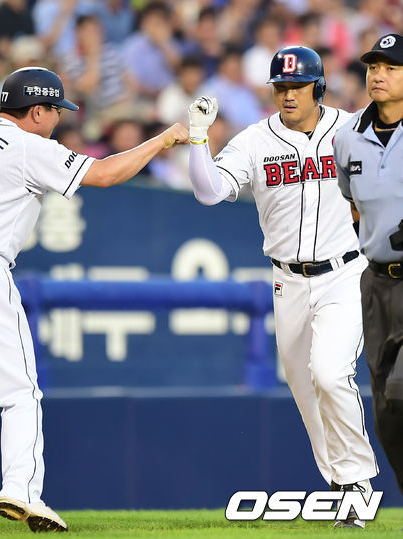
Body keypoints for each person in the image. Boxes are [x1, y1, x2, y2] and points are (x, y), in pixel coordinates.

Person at [0, 66, 188, 536]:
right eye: (55, 111)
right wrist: (163, 139)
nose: (57, 120)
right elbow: (106, 174)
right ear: (35, 111)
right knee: (20, 394)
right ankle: (22, 491)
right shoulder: (29, 145)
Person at [187, 46, 379, 528]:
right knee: (304, 387)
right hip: (287, 280)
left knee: (330, 373)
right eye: (280, 87)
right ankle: (338, 484)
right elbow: (209, 192)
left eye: (297, 87)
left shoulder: (354, 129)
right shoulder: (255, 140)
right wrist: (198, 141)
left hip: (345, 272)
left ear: (319, 88)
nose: (288, 95)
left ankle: (356, 482)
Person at [333, 33, 403, 494]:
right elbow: (353, 203)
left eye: (391, 67)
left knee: (402, 389)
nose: (378, 74)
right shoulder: (347, 139)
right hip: (376, 281)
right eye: (373, 66)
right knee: (385, 412)